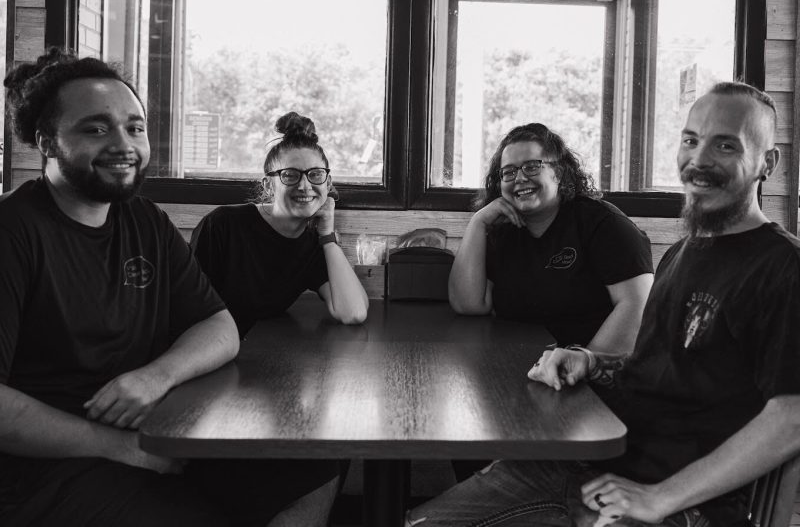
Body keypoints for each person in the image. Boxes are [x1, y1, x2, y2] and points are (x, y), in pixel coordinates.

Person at [407, 82, 800, 527]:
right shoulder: (684, 253)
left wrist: (658, 498)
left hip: (677, 502)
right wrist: (590, 362)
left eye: (725, 145)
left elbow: (792, 415)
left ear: (767, 162)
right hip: (598, 463)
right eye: (691, 140)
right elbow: (650, 368)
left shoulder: (782, 266)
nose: (700, 159)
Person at [0, 49, 332, 527]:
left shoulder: (145, 220)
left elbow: (219, 327)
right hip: (47, 469)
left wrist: (157, 376)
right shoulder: (13, 232)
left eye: (135, 128)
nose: (123, 144)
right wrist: (121, 448)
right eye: (96, 129)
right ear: (46, 141)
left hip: (156, 427)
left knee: (310, 473)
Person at [190, 111, 369, 517]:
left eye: (316, 175)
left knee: (327, 448)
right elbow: (182, 313)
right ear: (269, 182)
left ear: (329, 183)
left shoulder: (310, 243)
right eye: (290, 176)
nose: (305, 186)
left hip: (257, 374)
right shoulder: (224, 225)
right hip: (208, 373)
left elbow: (352, 312)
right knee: (315, 459)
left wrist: (327, 234)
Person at [449, 123, 653, 354]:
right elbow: (469, 305)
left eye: (532, 167)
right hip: (516, 365)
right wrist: (478, 222)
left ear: (559, 173)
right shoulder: (501, 230)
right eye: (509, 172)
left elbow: (638, 305)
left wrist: (581, 366)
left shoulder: (603, 224)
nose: (520, 178)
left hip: (593, 375)